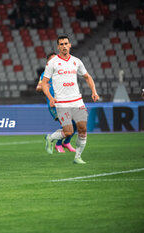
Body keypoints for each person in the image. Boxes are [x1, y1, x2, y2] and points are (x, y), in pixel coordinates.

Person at [42, 35, 99, 164]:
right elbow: (44, 83)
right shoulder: (52, 62)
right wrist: (51, 98)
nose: (64, 46)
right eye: (61, 44)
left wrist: (94, 92)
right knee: (68, 131)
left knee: (83, 128)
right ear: (58, 47)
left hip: (77, 100)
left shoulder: (76, 61)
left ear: (70, 45)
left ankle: (78, 157)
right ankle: (50, 138)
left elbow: (87, 77)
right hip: (62, 102)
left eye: (65, 43)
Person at [36, 52, 77, 153]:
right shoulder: (45, 74)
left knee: (75, 123)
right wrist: (43, 87)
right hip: (54, 104)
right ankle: (58, 144)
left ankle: (66, 143)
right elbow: (38, 87)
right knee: (68, 127)